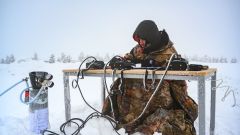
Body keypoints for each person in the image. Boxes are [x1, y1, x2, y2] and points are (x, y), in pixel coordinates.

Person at [102, 20, 198, 135]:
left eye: (142, 40)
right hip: (133, 99)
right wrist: (124, 61)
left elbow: (178, 83)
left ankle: (143, 127)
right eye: (138, 40)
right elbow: (130, 56)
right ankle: (114, 122)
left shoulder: (169, 53)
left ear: (151, 38)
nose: (140, 43)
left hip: (155, 96)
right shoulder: (139, 48)